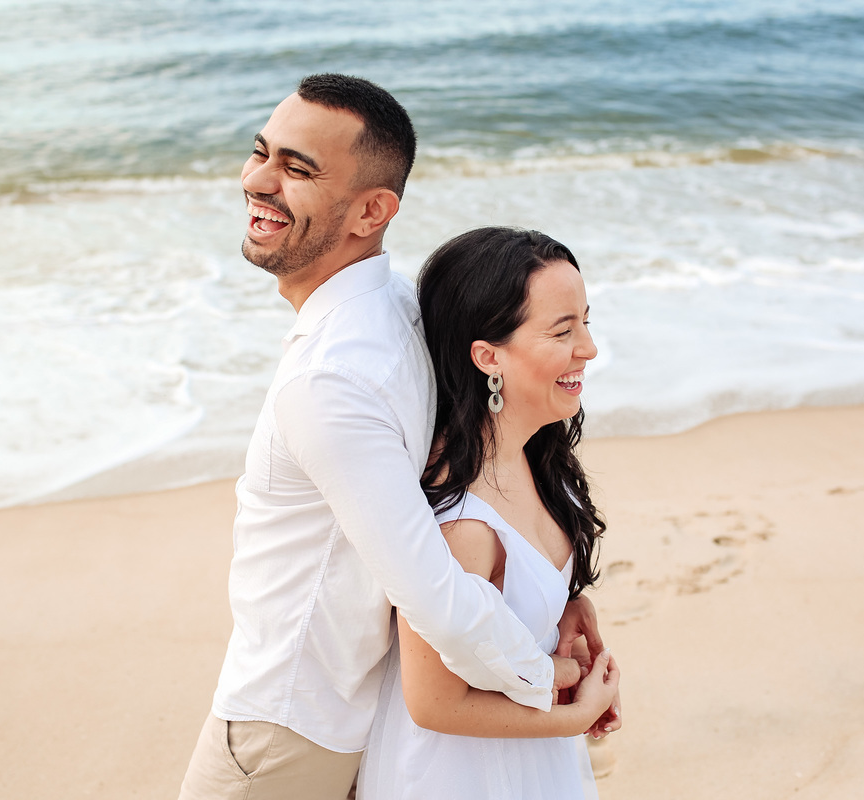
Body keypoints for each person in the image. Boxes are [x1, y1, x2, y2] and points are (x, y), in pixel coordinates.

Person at [178, 75, 609, 800]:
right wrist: (550, 607)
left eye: (297, 168)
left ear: (374, 209)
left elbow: (435, 587)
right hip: (354, 713)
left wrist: (548, 675)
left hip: (287, 725)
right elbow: (471, 464)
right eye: (261, 153)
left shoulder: (333, 376)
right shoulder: (405, 314)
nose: (257, 180)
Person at [357, 227, 619, 799]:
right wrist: (575, 718)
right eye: (562, 330)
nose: (589, 348)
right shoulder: (462, 524)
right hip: (463, 776)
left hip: (530, 753)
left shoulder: (532, 452)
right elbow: (432, 704)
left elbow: (520, 584)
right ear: (488, 356)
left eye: (586, 321)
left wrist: (568, 606)